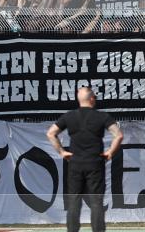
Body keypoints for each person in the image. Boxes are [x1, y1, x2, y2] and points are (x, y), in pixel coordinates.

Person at [46, 87, 124, 232]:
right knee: (96, 202)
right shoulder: (102, 117)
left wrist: (62, 152)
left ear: (79, 99)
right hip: (95, 163)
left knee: (74, 202)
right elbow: (118, 135)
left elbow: (51, 133)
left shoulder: (69, 116)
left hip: (75, 164)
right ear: (92, 99)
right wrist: (110, 152)